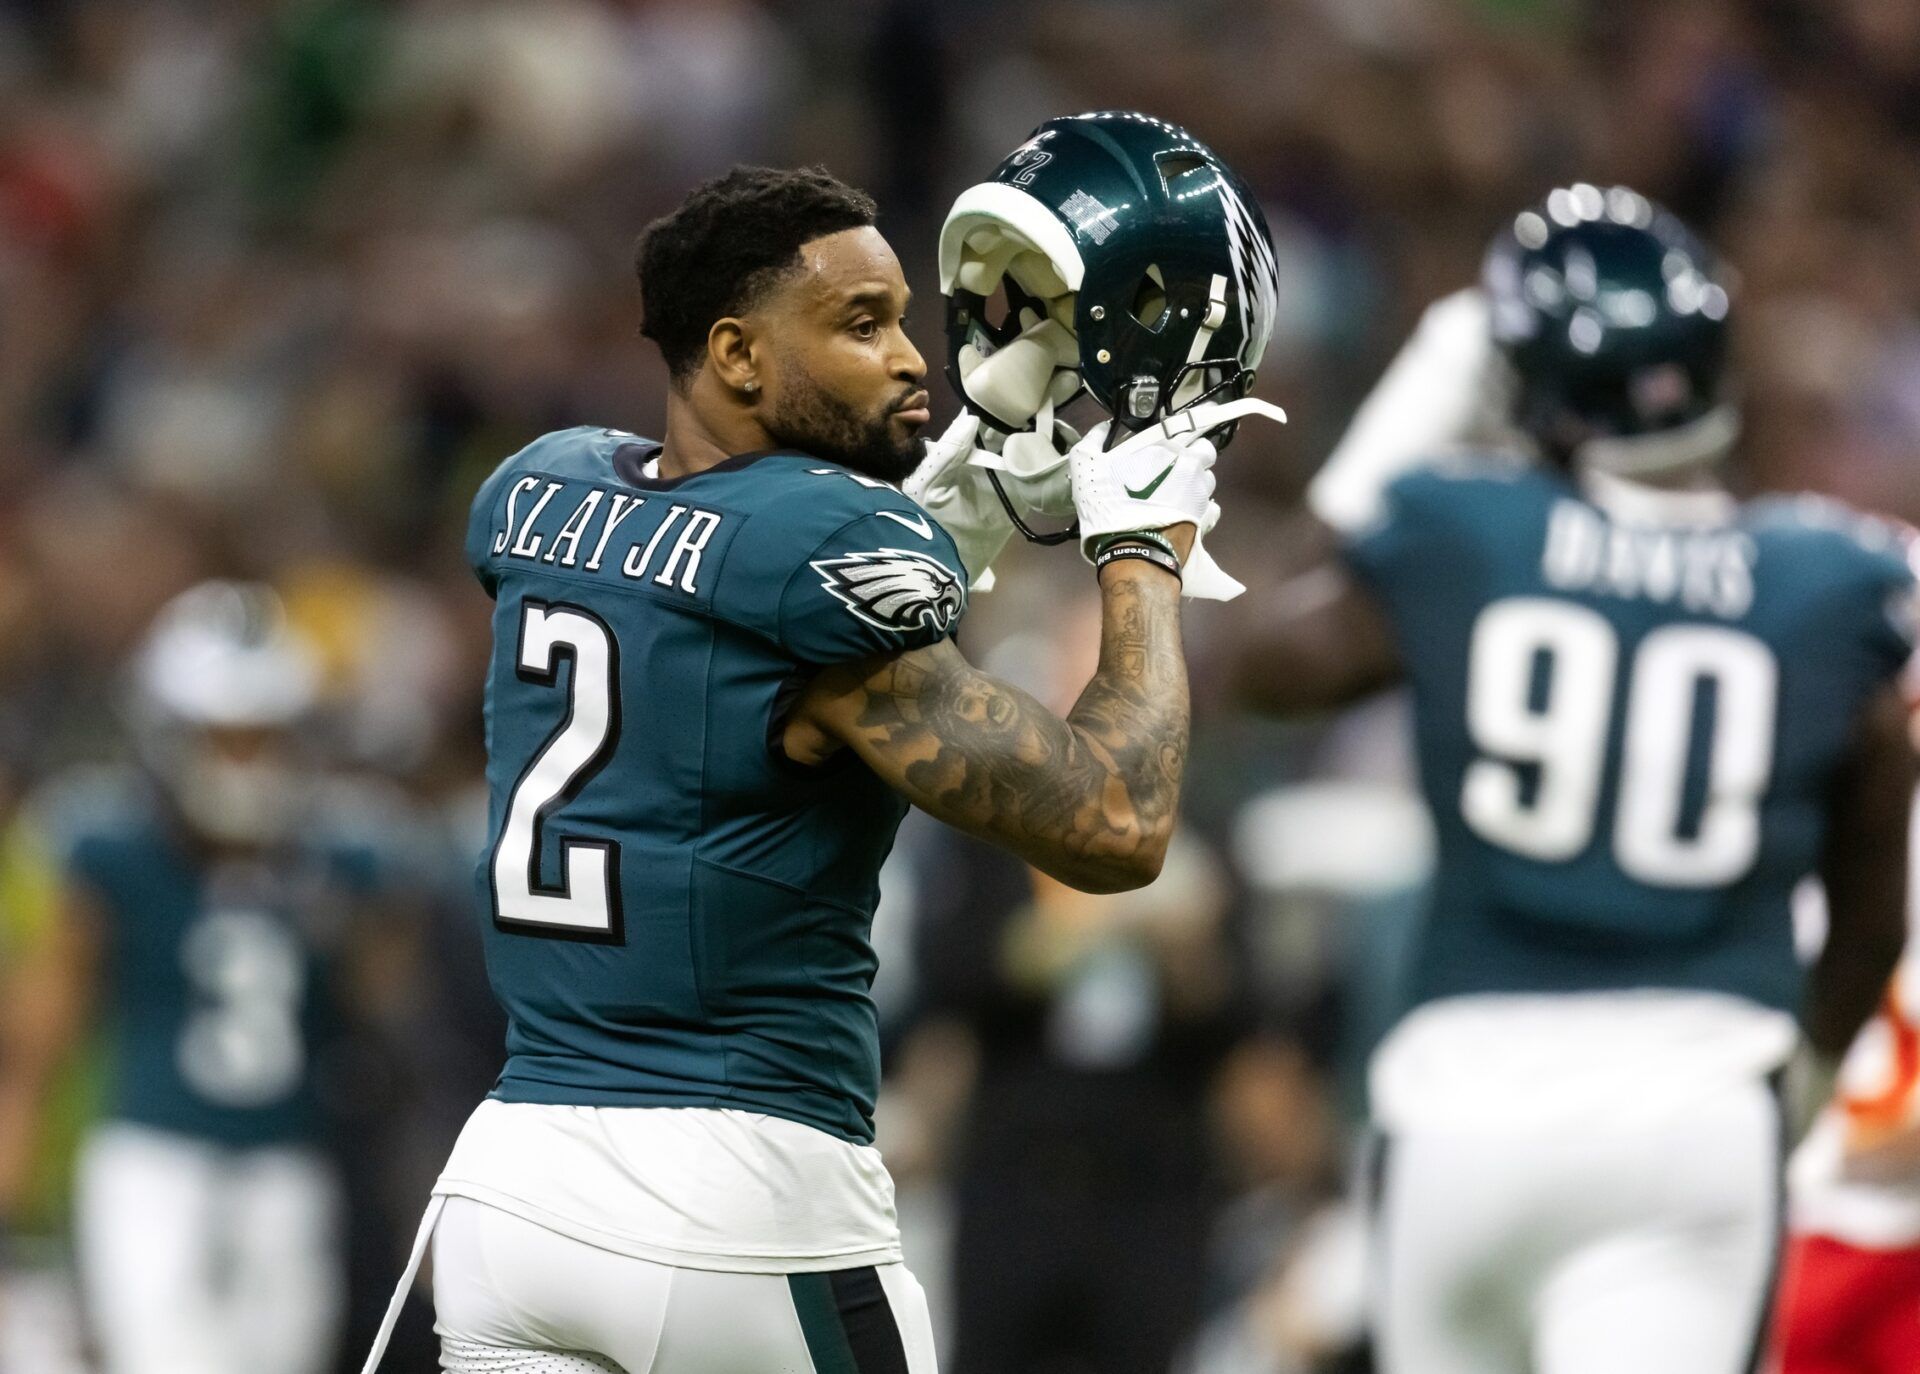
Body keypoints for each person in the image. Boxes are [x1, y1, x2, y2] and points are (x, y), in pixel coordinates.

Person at [371, 141, 1282, 1374]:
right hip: (736, 1194)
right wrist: (1143, 554)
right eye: (862, 324)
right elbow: (1116, 824)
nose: (915, 357)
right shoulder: (820, 550)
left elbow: (726, 621)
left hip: (513, 1193)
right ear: (738, 353)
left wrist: (958, 513)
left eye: (905, 317)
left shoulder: (546, 491)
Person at [1230, 185, 1915, 1374]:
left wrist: (1417, 405)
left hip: (1466, 1103)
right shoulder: (1830, 579)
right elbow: (1870, 901)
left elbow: (1262, 656)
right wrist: (1790, 1087)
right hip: (1697, 1101)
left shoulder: (1470, 534)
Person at [9, 581, 420, 1374]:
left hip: (291, 1166)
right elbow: (41, 1040)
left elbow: (397, 1034)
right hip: (151, 1158)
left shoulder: (347, 853)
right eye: (225, 736)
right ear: (167, 731)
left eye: (263, 736)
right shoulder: (108, 848)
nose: (246, 761)